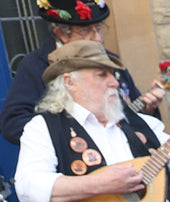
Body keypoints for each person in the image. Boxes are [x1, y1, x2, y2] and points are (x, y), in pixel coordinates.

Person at [14, 42, 170, 202]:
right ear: (70, 82)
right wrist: (98, 184)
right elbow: (28, 187)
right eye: (101, 74)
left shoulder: (140, 122)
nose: (114, 82)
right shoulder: (44, 127)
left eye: (113, 74)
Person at [0, 0, 159, 146]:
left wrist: (147, 111)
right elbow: (13, 124)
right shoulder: (35, 65)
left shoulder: (112, 61)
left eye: (98, 28)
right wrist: (70, 139)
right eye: (85, 31)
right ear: (61, 34)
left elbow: (130, 109)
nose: (97, 38)